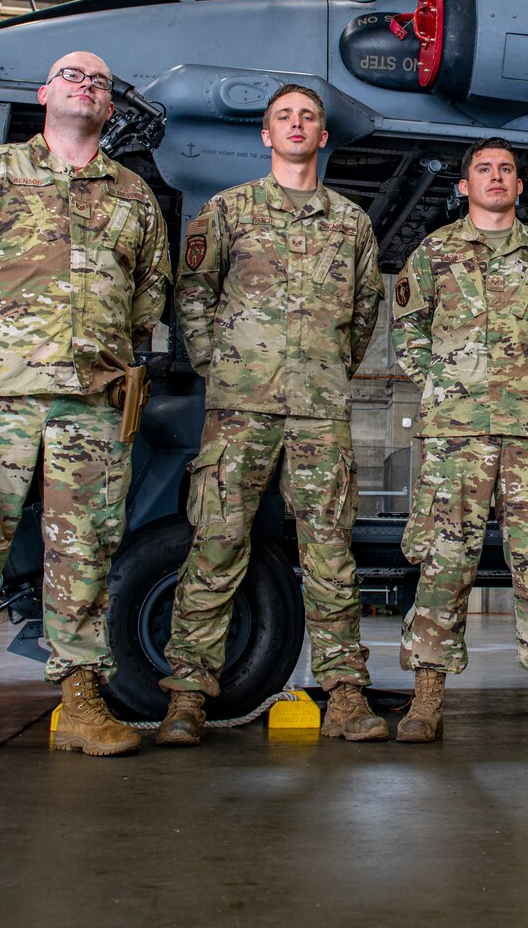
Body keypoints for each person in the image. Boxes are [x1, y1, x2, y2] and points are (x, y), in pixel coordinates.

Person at [0, 51, 172, 762]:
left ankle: (81, 697)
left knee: (85, 552)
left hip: (90, 404)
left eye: (102, 83)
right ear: (46, 93)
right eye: (74, 76)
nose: (88, 86)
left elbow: (148, 297)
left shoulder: (134, 196)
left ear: (110, 108)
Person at [157, 84, 387, 745]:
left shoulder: (350, 222)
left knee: (330, 552)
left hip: (319, 410)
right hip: (241, 408)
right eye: (283, 116)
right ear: (266, 135)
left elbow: (364, 311)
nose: (295, 125)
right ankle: (188, 695)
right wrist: (218, 366)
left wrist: (327, 369)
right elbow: (192, 296)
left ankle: (345, 692)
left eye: (307, 117)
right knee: (217, 543)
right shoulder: (227, 211)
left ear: (322, 136)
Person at [391, 137, 528, 743]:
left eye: (506, 169)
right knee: (443, 563)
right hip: (455, 435)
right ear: (464, 186)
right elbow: (408, 329)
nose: (496, 177)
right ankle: (426, 700)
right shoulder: (435, 251)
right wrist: (446, 383)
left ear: (519, 185)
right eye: (484, 169)